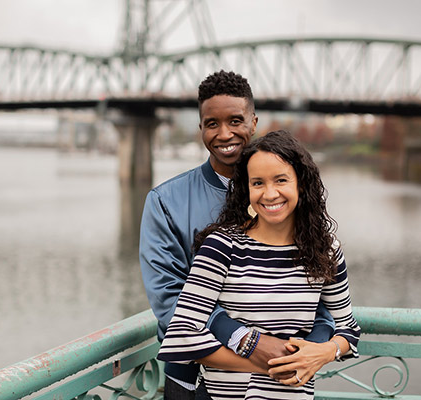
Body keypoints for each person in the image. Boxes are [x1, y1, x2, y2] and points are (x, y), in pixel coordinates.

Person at [139, 71, 336, 399]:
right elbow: (170, 298)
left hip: (283, 379)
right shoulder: (165, 202)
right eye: (212, 123)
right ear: (200, 127)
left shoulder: (289, 197)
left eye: (235, 120)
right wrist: (247, 340)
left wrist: (312, 349)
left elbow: (320, 285)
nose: (224, 133)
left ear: (254, 122)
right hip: (195, 377)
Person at [157, 130, 360, 399]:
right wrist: (263, 357)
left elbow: (347, 328)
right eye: (258, 183)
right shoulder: (222, 247)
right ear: (246, 188)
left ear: (301, 183)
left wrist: (323, 353)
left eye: (281, 180)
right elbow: (182, 336)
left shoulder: (326, 249)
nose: (270, 193)